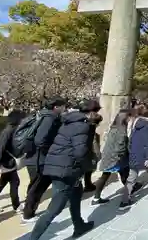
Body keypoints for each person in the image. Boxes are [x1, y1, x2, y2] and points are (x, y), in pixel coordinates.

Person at [28, 99, 101, 240]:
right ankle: (33, 238)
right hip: (65, 170)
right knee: (54, 208)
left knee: (76, 193)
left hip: (60, 166)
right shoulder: (82, 126)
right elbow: (80, 153)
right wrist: (90, 165)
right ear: (92, 112)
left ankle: (79, 226)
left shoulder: (69, 122)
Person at [22, 97, 66, 224]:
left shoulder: (42, 114)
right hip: (39, 159)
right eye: (63, 106)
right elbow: (40, 140)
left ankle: (28, 209)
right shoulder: (49, 118)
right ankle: (28, 214)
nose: (64, 109)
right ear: (56, 107)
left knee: (35, 186)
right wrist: (52, 150)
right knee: (37, 186)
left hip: (34, 158)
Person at [0, 110, 26, 213]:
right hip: (7, 162)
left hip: (9, 162)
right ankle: (16, 206)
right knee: (14, 182)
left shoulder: (13, 129)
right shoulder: (8, 131)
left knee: (3, 183)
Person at [91, 109, 131, 206]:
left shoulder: (113, 126)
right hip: (116, 157)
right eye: (128, 117)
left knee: (106, 175)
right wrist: (123, 155)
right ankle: (126, 199)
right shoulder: (122, 129)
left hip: (109, 155)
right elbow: (121, 145)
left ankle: (96, 198)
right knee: (125, 174)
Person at [82, 111, 102, 192]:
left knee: (87, 170)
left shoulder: (84, 127)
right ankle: (88, 185)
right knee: (89, 169)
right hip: (90, 153)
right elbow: (94, 144)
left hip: (84, 152)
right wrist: (98, 155)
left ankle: (88, 184)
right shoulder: (92, 131)